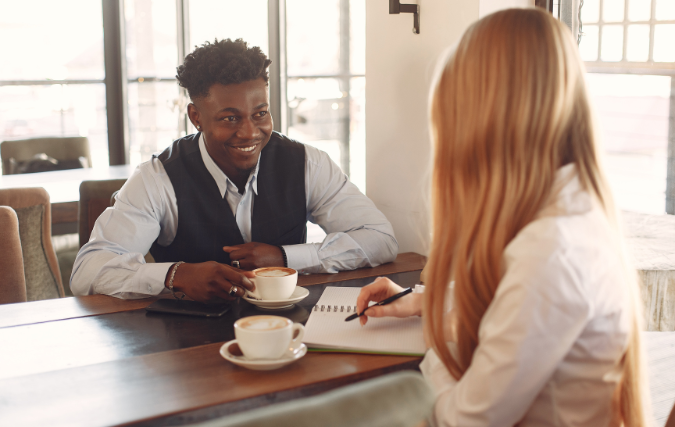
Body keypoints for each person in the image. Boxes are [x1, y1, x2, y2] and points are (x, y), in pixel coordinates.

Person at [356, 8, 650, 427]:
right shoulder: (571, 213)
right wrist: (423, 303)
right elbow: (513, 303)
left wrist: (437, 346)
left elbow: (461, 420)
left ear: (485, 126)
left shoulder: (552, 253)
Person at [71, 38, 397, 302]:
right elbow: (88, 270)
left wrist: (285, 258)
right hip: (188, 347)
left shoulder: (308, 164)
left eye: (260, 114)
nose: (249, 132)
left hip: (290, 333)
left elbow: (380, 239)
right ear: (196, 117)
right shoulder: (157, 179)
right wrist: (174, 275)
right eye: (230, 118)